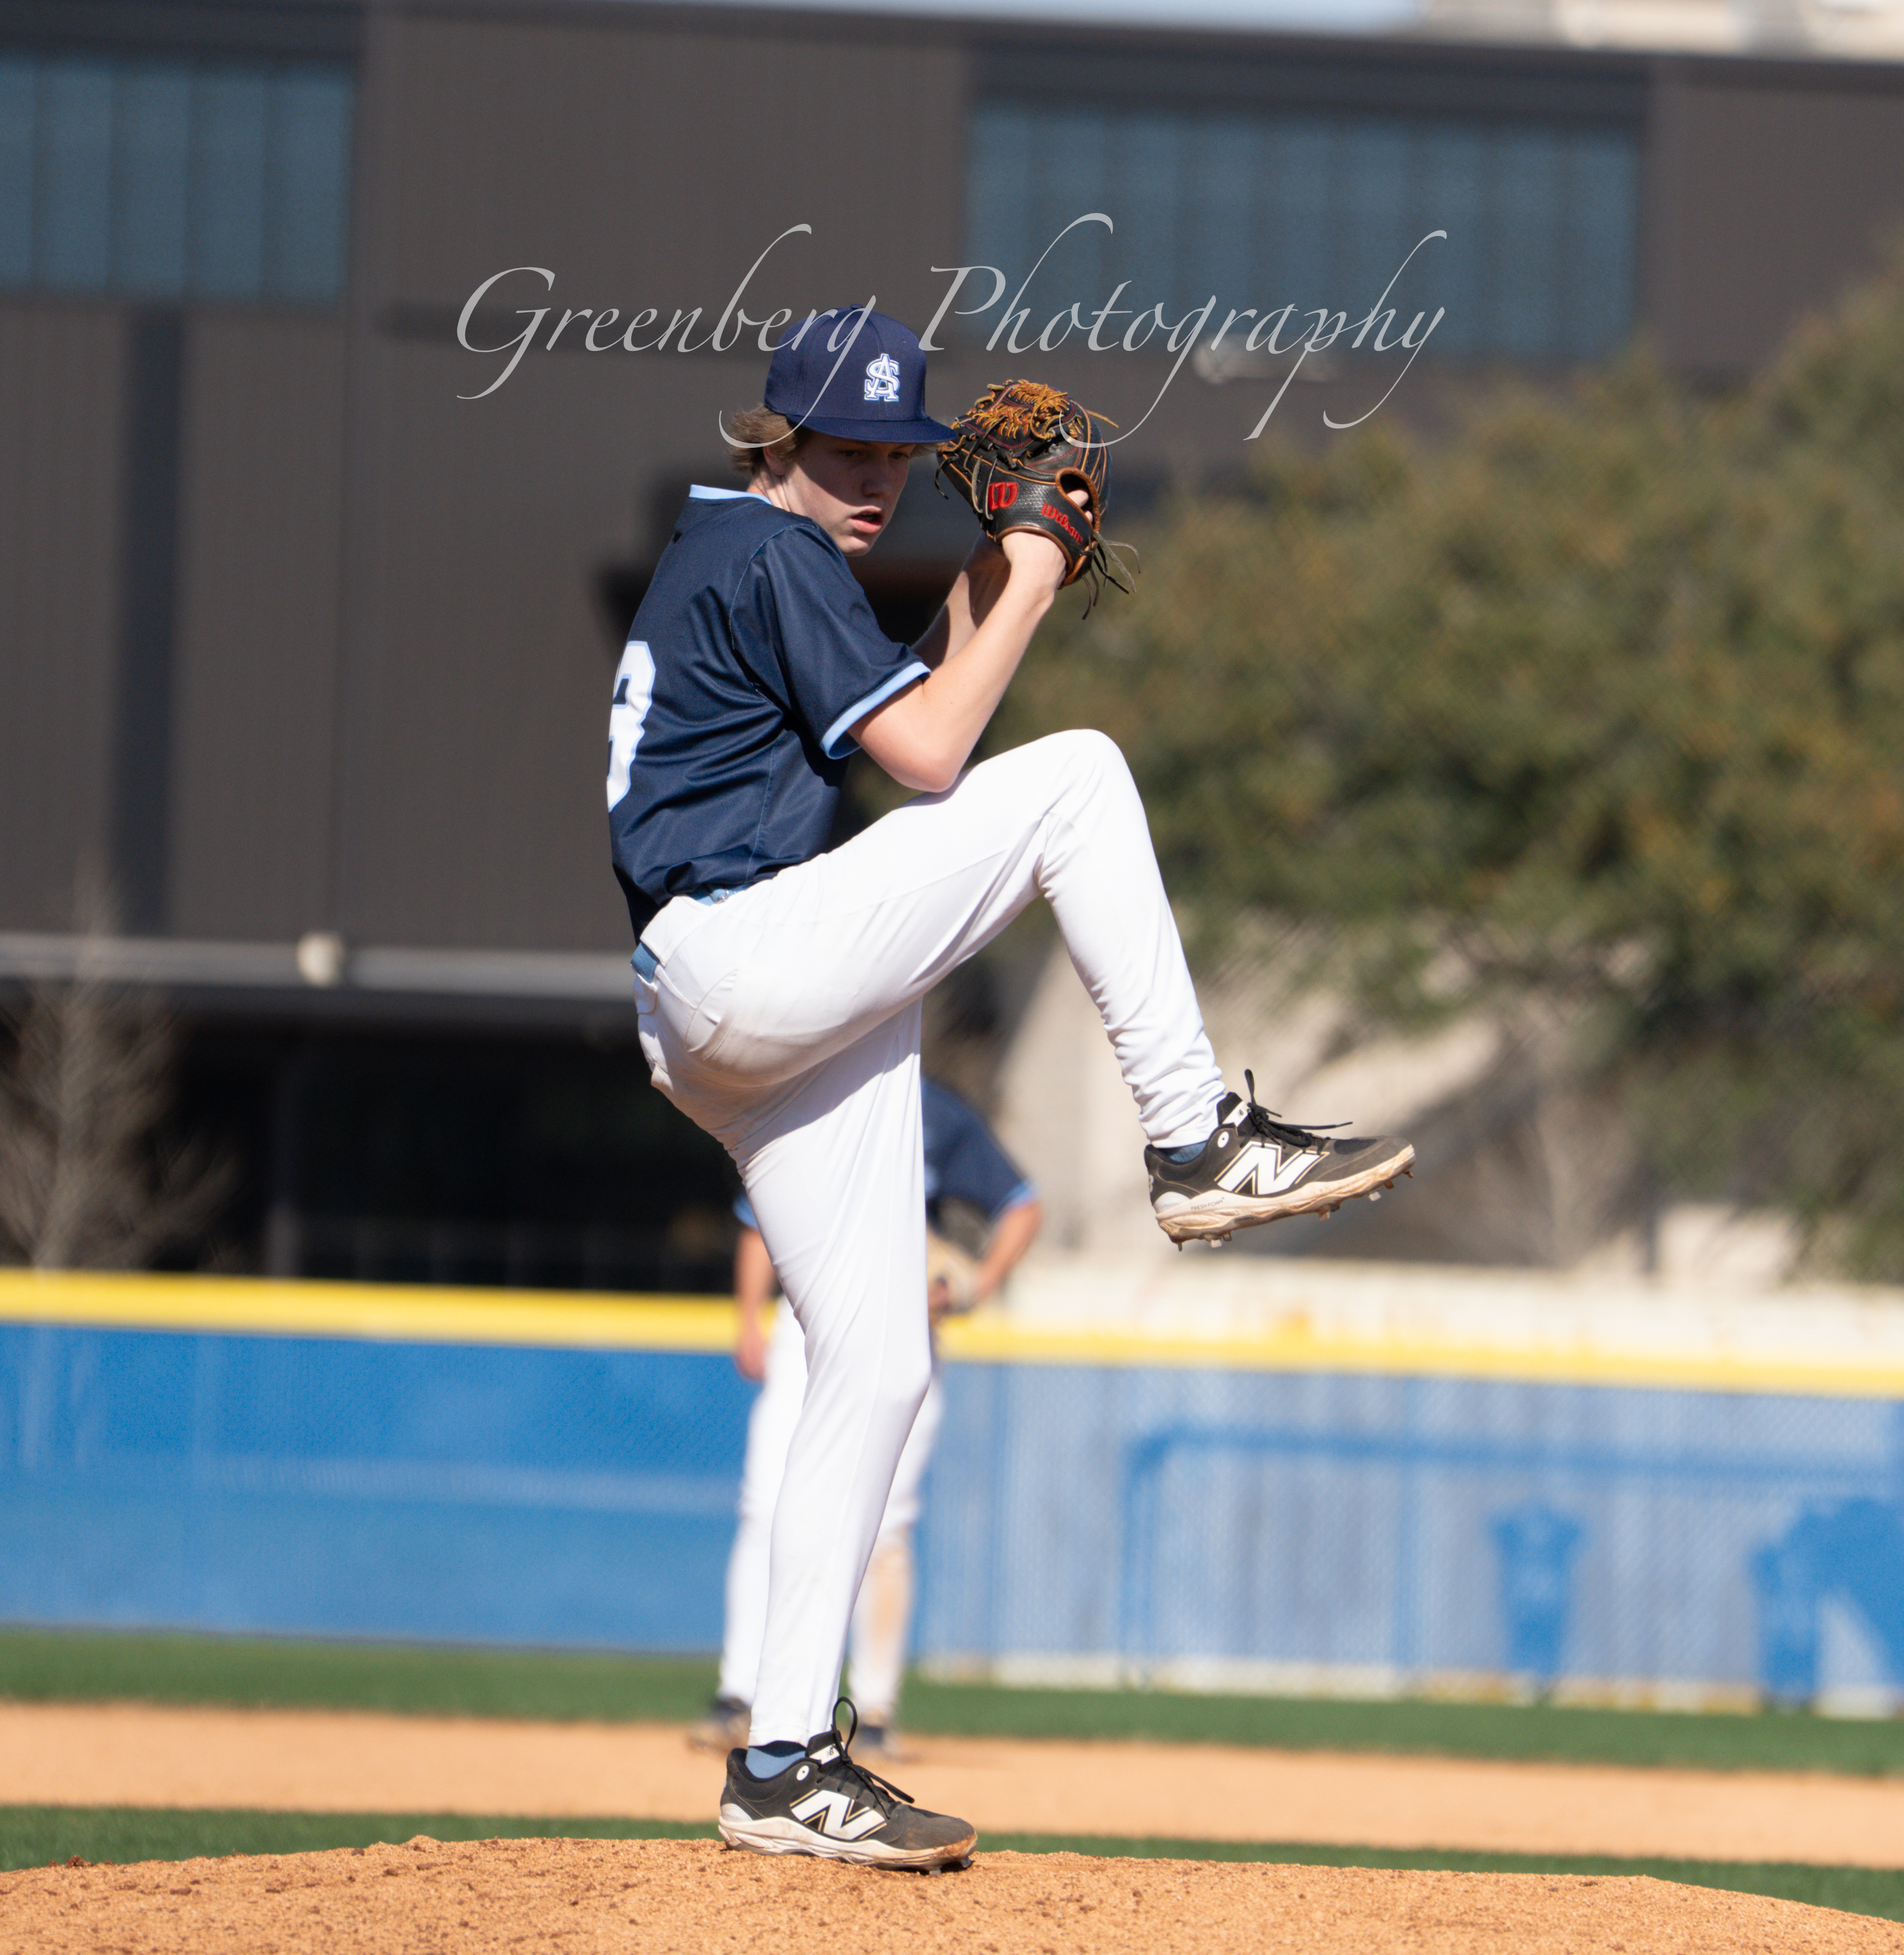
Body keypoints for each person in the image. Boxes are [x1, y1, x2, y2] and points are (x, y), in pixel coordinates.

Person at [607, 306, 1413, 1869]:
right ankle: (1194, 1136)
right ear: (777, 438)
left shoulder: (738, 555)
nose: (873, 479)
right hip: (740, 952)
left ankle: (780, 1755)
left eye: (893, 455)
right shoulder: (770, 550)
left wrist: (994, 562)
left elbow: (912, 690)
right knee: (1079, 776)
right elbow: (928, 753)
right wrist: (1035, 564)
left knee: (879, 1364)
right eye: (846, 448)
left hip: (729, 993)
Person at [694, 1076, 1043, 1763]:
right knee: (766, 1505)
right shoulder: (813, 1092)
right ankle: (740, 1696)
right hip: (806, 1321)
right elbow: (758, 1218)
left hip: (901, 1323)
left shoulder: (936, 1111)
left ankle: (873, 1712)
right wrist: (748, 1318)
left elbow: (1021, 1206)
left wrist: (980, 1283)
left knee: (887, 1523)